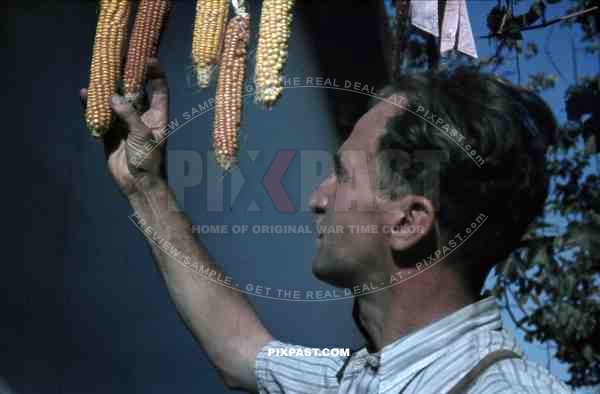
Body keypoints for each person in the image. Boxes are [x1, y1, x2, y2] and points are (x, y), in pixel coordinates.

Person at [79, 59, 573, 393]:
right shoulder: (355, 378)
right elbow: (239, 351)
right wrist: (146, 186)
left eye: (341, 175)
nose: (317, 200)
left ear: (407, 221)